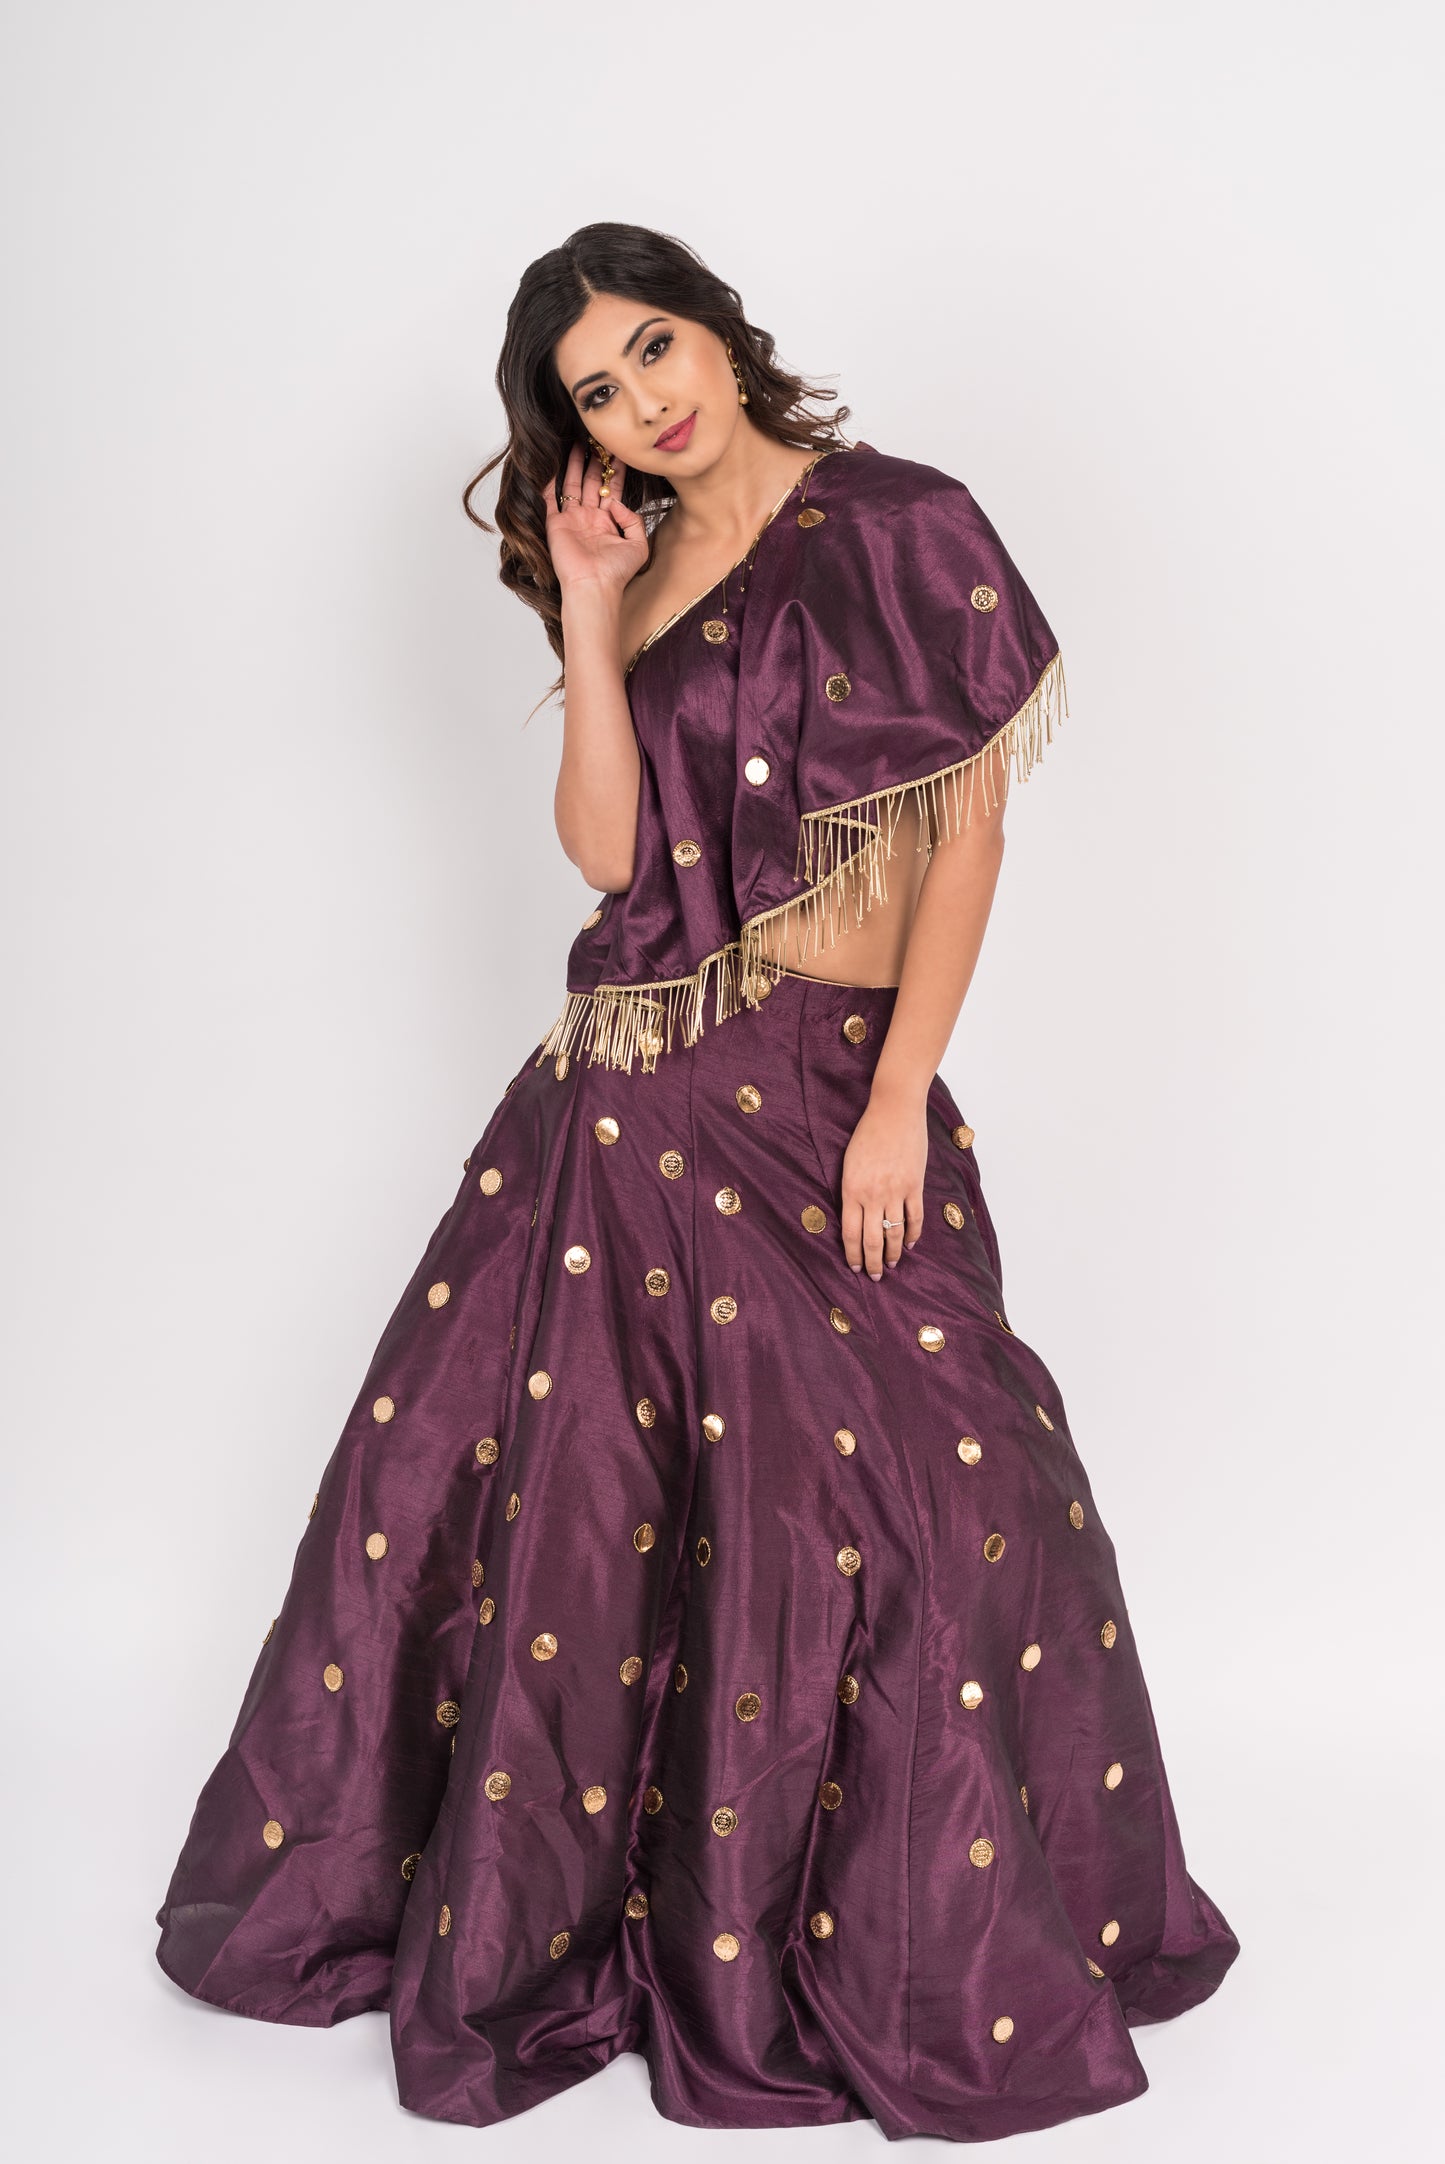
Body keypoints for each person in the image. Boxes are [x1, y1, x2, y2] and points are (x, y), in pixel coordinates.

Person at [155, 221, 1239, 2141]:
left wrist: (897, 1101)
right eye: (595, 391)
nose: (641, 399)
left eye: (653, 347)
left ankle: (912, 1940)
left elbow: (966, 839)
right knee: (546, 1519)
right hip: (617, 1111)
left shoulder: (902, 524)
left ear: (716, 332)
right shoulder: (641, 568)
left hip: (827, 1095)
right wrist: (589, 614)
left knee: (950, 1493)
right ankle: (590, 1919)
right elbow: (607, 855)